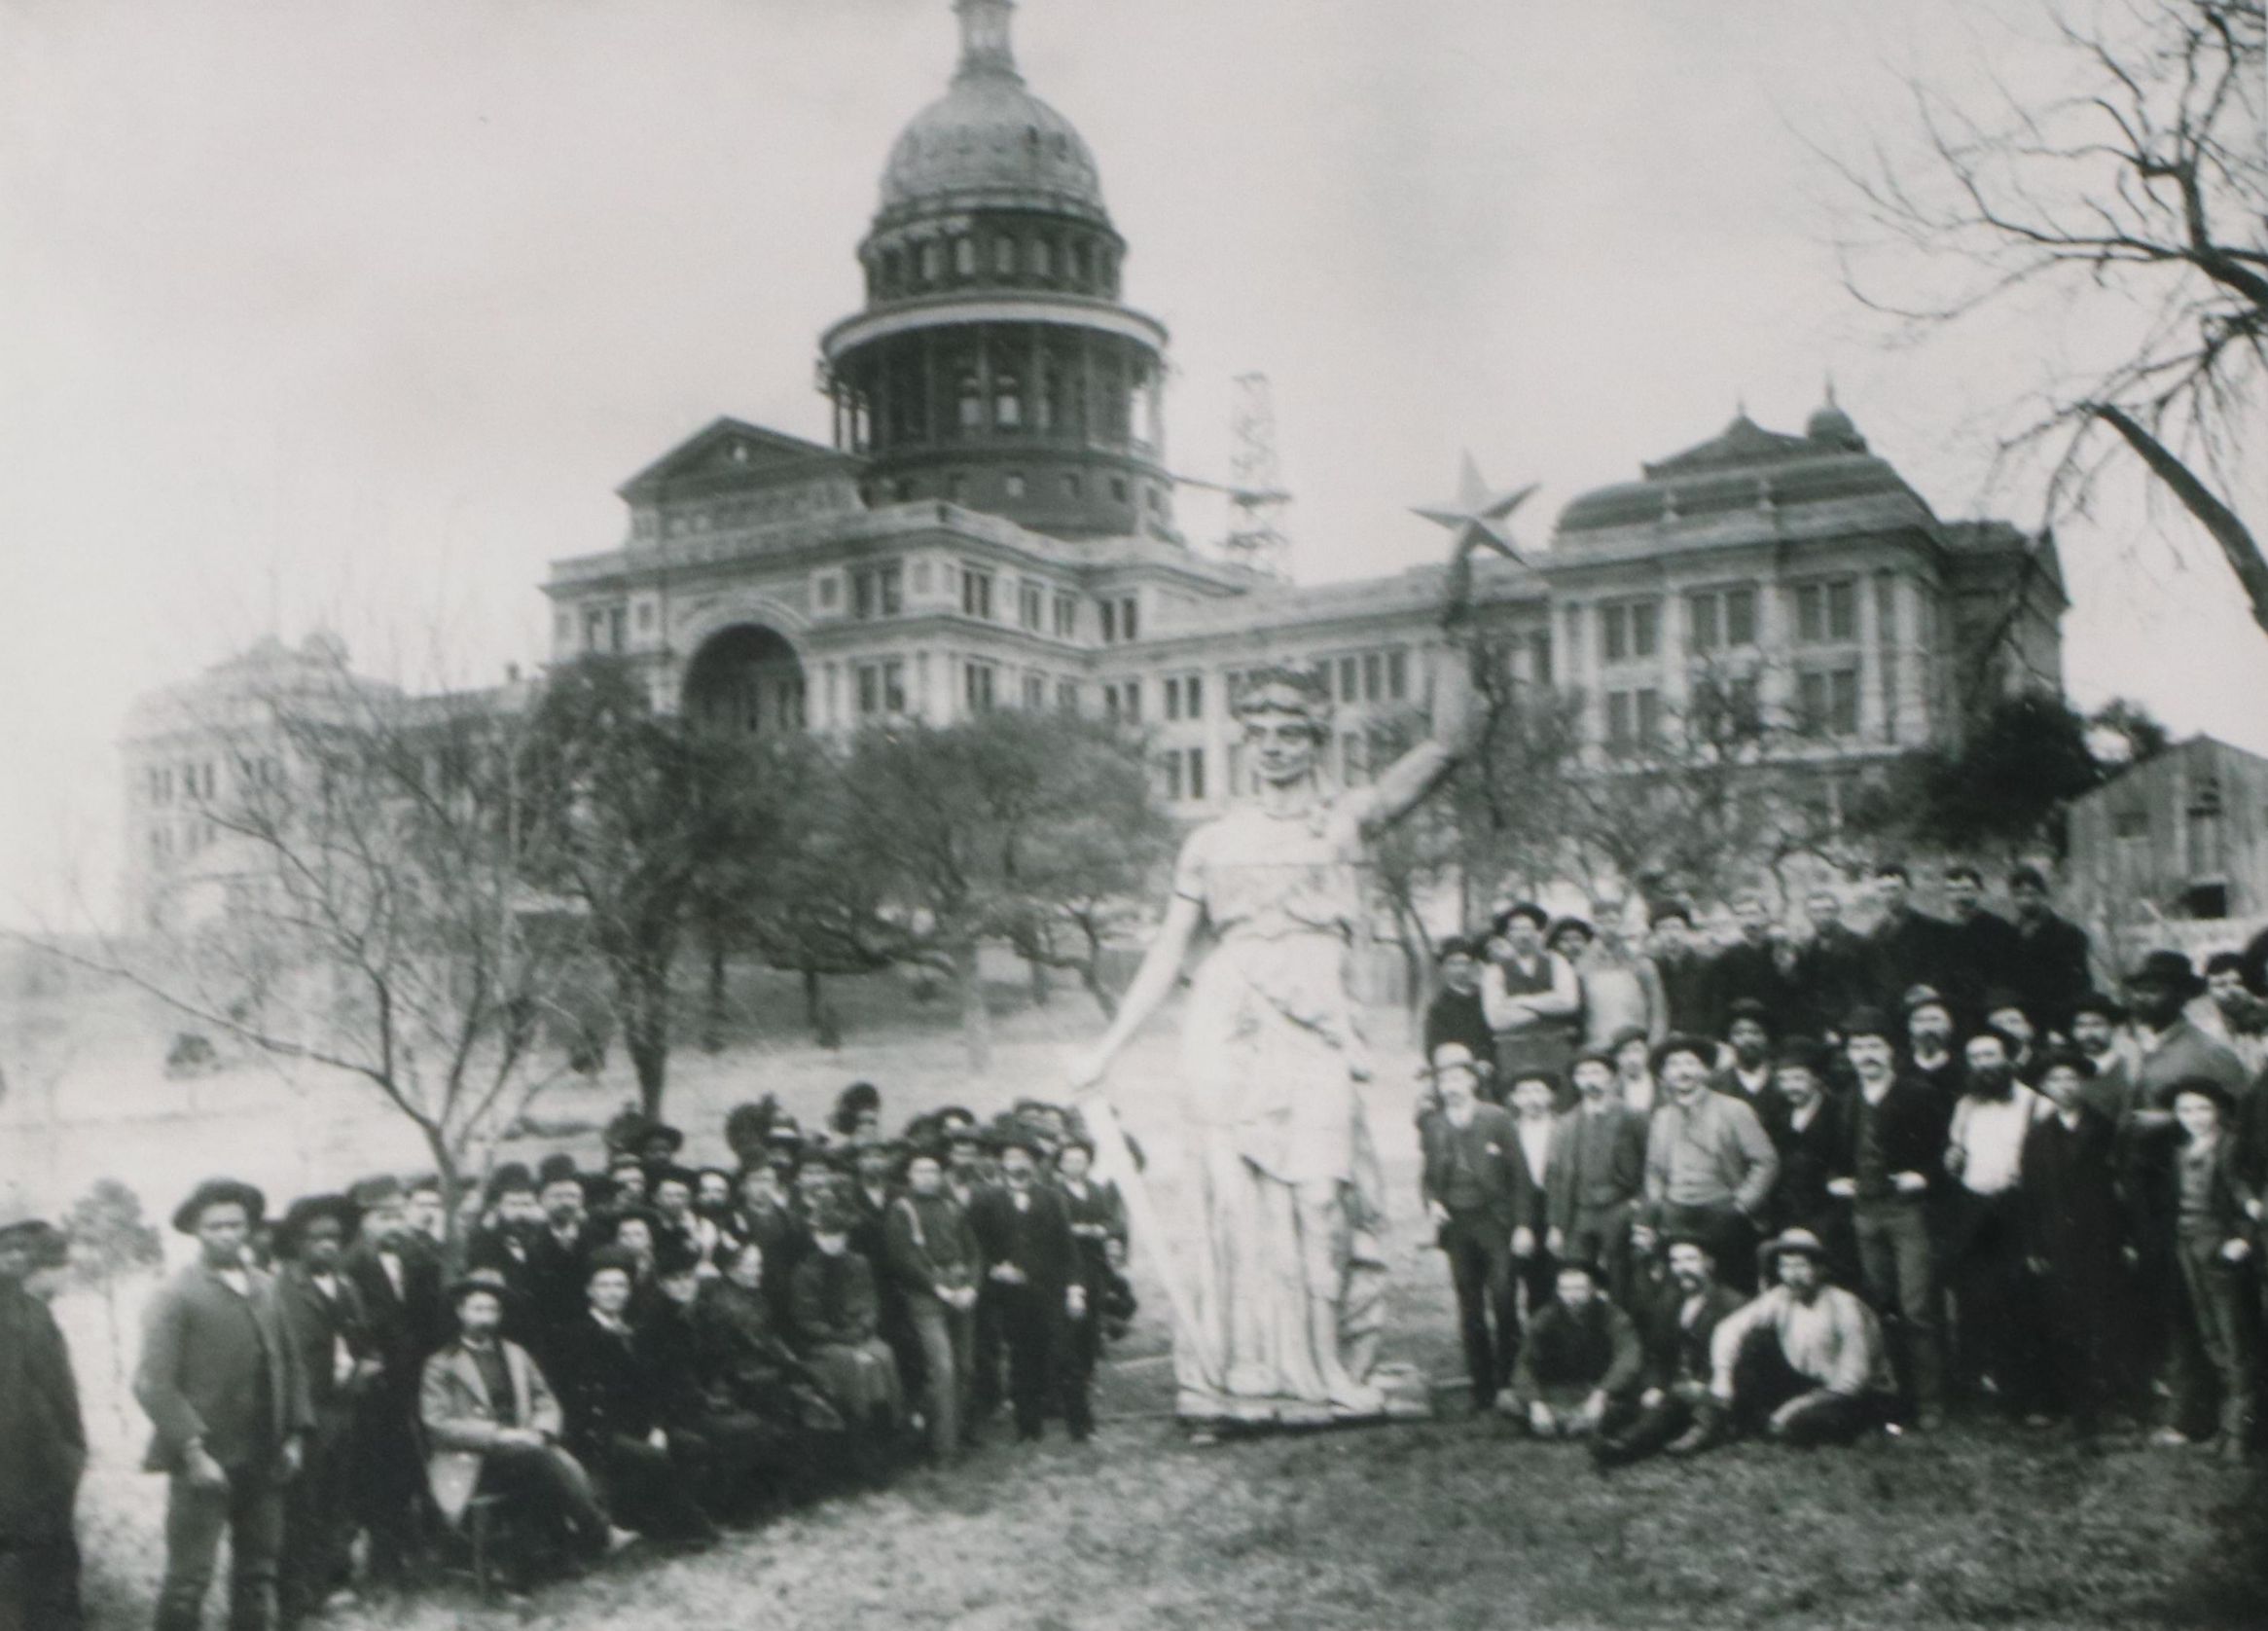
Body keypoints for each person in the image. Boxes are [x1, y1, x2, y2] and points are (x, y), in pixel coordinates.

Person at [1065, 630, 1480, 1428]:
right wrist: (1108, 1049)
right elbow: (1164, 953)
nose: (1275, 749)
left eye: (1292, 734)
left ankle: (1325, 1364)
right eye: (1260, 735)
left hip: (1318, 1024)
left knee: (1325, 1196)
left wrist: (1454, 625)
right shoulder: (1212, 842)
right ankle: (1242, 1372)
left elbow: (1445, 743)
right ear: (1243, 740)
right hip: (1229, 1023)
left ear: (1316, 740)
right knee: (1236, 1199)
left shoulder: (1345, 820)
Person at [137, 1178, 313, 1631]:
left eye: (236, 1225)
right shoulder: (176, 1294)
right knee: (189, 1578)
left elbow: (291, 1363)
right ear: (197, 1231)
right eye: (214, 1226)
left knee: (258, 1573)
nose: (227, 1235)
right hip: (206, 1462)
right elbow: (153, 1383)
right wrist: (193, 1453)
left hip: (264, 1456)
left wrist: (293, 1435)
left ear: (250, 1228)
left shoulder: (267, 1287)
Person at [419, 1273, 611, 1585]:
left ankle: (538, 1561)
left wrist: (542, 1429)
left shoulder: (515, 1354)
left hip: (527, 1447)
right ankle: (594, 1532)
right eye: (477, 1310)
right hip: (473, 1460)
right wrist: (499, 1435)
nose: (486, 1318)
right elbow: (437, 1424)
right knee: (541, 1463)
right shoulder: (441, 1364)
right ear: (461, 1312)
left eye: (492, 1310)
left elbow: (545, 1398)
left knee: (536, 1462)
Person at [1826, 1009, 1947, 1429]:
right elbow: (1835, 1158)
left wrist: (1924, 1175)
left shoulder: (1916, 1093)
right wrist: (1837, 1181)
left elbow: (1942, 1152)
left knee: (1917, 1307)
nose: (1866, 1055)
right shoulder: (1844, 1100)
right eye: (1858, 1048)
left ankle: (1931, 1401)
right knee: (1880, 1307)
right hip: (1865, 1213)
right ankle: (1894, 1398)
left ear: (1891, 1051)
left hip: (1906, 1211)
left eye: (1874, 1046)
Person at [551, 1246, 718, 1547]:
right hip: (596, 1432)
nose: (613, 1293)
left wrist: (656, 1427)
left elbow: (650, 1389)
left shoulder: (634, 1333)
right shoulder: (575, 1336)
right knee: (651, 1458)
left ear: (629, 1291)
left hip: (636, 1426)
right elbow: (579, 1400)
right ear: (590, 1291)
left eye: (620, 1286)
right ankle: (685, 1528)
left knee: (692, 1446)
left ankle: (657, 1521)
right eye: (604, 1285)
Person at [270, 1194, 378, 1625]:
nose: (328, 1246)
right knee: (302, 1506)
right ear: (298, 1243)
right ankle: (297, 1598)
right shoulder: (280, 1290)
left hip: (344, 1410)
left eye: (335, 1238)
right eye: (316, 1238)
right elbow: (285, 1359)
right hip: (306, 1413)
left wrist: (366, 1366)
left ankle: (336, 1582)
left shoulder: (347, 1286)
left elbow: (362, 1342)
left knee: (339, 1499)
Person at [2144, 1080, 2257, 1459]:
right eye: (2186, 1110)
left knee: (2234, 1338)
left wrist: (2243, 1237)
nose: (2195, 1118)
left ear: (2219, 1112)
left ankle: (2240, 1434)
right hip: (2187, 1247)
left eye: (2203, 1109)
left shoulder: (2231, 1147)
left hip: (2220, 1247)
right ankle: (2225, 1428)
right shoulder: (2180, 1151)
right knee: (2209, 1336)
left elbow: (2247, 1194)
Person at [342, 1174, 446, 1584]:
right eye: (385, 1217)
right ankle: (381, 1565)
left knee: (411, 1469)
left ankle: (417, 1553)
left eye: (400, 1215)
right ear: (365, 1221)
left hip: (415, 1383)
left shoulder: (418, 1258)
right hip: (374, 1391)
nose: (395, 1225)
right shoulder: (351, 1267)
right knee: (376, 1476)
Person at [1702, 1228, 1893, 1448]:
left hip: (1852, 1394)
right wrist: (1722, 1376)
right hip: (1807, 1384)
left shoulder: (1844, 1306)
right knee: (1752, 1349)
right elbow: (1728, 1328)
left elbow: (1852, 1381)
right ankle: (1732, 1423)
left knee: (1801, 1427)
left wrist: (1792, 1408)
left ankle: (1858, 1428)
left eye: (1801, 1266)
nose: (1792, 1276)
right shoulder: (1780, 1296)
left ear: (1820, 1269)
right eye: (1785, 1266)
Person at [2018, 1049, 2123, 1441]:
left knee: (2105, 1321)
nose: (2065, 1087)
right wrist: (2034, 1246)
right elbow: (2029, 1194)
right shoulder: (2038, 1135)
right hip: (2055, 1244)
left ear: (2084, 1083)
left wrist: (2123, 1239)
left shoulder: (2104, 1128)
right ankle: (2074, 1408)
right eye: (2056, 1081)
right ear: (2045, 1088)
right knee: (2064, 1323)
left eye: (2072, 1079)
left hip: (2099, 1241)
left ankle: (2108, 1407)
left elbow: (2119, 1190)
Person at [1416, 1043, 1526, 1412]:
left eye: (1457, 1078)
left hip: (1494, 1222)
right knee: (1470, 1304)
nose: (1451, 1086)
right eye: (1443, 1079)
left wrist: (1523, 1225)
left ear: (1473, 1081)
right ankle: (1483, 1386)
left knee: (1504, 1297)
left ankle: (1511, 1380)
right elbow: (1428, 1176)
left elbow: (1520, 1177)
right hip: (1458, 1225)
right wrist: (1433, 1202)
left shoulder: (1497, 1118)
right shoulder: (1433, 1124)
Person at [1943, 1029, 2046, 1416]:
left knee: (2022, 1301)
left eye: (1990, 1055)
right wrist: (1952, 1158)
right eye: (1975, 1057)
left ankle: (2032, 1398)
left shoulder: (2037, 1105)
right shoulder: (1967, 1105)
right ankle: (1991, 1391)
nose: (1983, 1065)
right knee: (1977, 1301)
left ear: (2011, 1059)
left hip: (2017, 1209)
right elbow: (1956, 1152)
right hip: (1974, 1209)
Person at [969, 1136, 1090, 1442]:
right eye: (1010, 1157)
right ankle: (1028, 1428)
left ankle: (1081, 1426)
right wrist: (995, 1269)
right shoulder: (986, 1200)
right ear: (1002, 1163)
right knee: (1023, 1361)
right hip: (1012, 1295)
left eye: (1023, 1158)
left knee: (1065, 1357)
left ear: (1032, 1164)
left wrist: (1075, 1289)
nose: (1016, 1163)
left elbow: (1069, 1249)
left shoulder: (1051, 1198)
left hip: (1051, 1290)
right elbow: (976, 1248)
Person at [0, 1200, 86, 1631]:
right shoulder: (19, 1315)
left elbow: (57, 1393)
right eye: (4, 1249)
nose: (15, 1258)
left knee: (50, 1572)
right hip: (17, 1477)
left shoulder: (34, 1312)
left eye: (22, 1249)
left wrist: (71, 1453)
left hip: (44, 1472)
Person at [1637, 1035, 1779, 1293]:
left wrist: (1741, 1204)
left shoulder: (1734, 1110)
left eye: (1690, 1063)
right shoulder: (1662, 1117)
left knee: (1730, 1286)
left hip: (1722, 1212)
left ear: (1705, 1070)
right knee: (1680, 1287)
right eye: (1674, 1065)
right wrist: (1658, 1207)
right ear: (1665, 1075)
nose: (1683, 1072)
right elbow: (1654, 1170)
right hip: (1677, 1214)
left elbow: (1766, 1161)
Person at [1592, 1236, 1746, 1468]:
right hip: (1676, 1387)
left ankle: (1624, 1446)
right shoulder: (1669, 1302)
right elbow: (1657, 1356)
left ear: (1709, 1264)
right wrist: (1655, 1386)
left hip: (1717, 1391)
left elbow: (1742, 1364)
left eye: (1690, 1259)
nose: (1682, 1268)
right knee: (1634, 1403)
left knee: (1673, 1405)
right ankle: (1622, 1428)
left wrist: (1703, 1385)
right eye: (1675, 1261)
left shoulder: (1733, 1304)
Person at [789, 1194, 906, 1468]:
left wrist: (862, 1328)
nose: (833, 1241)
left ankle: (887, 1434)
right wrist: (840, 1337)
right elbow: (805, 1318)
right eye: (826, 1235)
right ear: (816, 1237)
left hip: (858, 1334)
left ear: (846, 1237)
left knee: (883, 1355)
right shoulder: (805, 1272)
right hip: (823, 1343)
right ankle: (861, 1445)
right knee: (856, 1364)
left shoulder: (859, 1264)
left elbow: (869, 1303)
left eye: (839, 1235)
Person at [883, 1148, 984, 1463]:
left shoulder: (952, 1208)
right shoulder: (902, 1210)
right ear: (909, 1176)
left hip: (960, 1292)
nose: (928, 1177)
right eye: (920, 1171)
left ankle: (949, 1432)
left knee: (965, 1367)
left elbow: (975, 1253)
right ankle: (944, 1451)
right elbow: (903, 1259)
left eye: (933, 1171)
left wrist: (971, 1287)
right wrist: (937, 1288)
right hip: (926, 1297)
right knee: (943, 1368)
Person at [1546, 1048, 1648, 1311]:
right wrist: (1556, 1225)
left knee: (1620, 1281)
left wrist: (1638, 1205)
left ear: (1612, 1078)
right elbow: (1556, 1177)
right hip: (1580, 1212)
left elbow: (1650, 1165)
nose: (1590, 1079)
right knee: (1577, 1276)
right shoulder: (1566, 1124)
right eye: (1582, 1074)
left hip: (1618, 1207)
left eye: (1597, 1072)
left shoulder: (1631, 1116)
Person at [1504, 1262, 1642, 1437]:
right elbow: (1524, 1364)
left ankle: (1562, 1423)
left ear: (1593, 1290)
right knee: (1506, 1399)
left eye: (1579, 1289)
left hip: (1600, 1387)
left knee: (1630, 1403)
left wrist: (1601, 1395)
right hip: (1560, 1391)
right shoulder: (1545, 1317)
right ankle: (1574, 1422)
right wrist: (1536, 1404)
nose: (1572, 1296)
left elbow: (1628, 1360)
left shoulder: (1614, 1317)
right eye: (1565, 1289)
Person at [1484, 904, 1584, 1093]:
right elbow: (1496, 1019)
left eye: (1528, 929)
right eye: (1516, 929)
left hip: (1555, 1050)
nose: (1523, 935)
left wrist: (1520, 1001)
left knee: (1561, 1101)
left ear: (1538, 933)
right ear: (1507, 935)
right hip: (1514, 1052)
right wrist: (1546, 1009)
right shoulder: (1494, 970)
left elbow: (1569, 1002)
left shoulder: (1556, 961)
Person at [1762, 1039, 1847, 1254]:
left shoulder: (1839, 1113)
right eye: (1784, 1079)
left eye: (1798, 1078)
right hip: (1787, 1213)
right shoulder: (1778, 1117)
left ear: (1817, 1078)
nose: (1791, 1086)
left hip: (1830, 1214)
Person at [1566, 901, 1667, 1054]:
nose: (1607, 927)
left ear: (1622, 924)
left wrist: (1655, 1043)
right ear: (1592, 926)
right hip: (1596, 1044)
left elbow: (1658, 1009)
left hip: (1635, 1044)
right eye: (1600, 922)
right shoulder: (1581, 966)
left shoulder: (1641, 964)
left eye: (1612, 921)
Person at [2005, 866, 2094, 1035]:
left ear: (2043, 895)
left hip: (2057, 1017)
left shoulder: (2068, 933)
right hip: (2021, 1018)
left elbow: (2079, 983)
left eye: (2031, 894)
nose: (2025, 900)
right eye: (2018, 895)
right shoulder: (2009, 934)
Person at [1504, 1068, 1564, 1309]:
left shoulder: (1565, 1129)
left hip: (1556, 1206)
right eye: (1524, 1092)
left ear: (1551, 1097)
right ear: (1515, 1099)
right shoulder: (1507, 1130)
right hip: (1518, 1211)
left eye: (1538, 1090)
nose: (1532, 1098)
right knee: (1526, 1278)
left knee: (1558, 1276)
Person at [1788, 888, 1872, 1042]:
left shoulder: (1858, 943)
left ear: (1837, 912)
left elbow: (1869, 987)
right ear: (1808, 915)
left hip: (1854, 1021)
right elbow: (1802, 991)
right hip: (1818, 1026)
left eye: (1827, 910)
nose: (1822, 917)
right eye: (1815, 911)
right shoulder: (1805, 948)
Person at [1865, 863, 1952, 1010]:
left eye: (1894, 889)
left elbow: (1945, 971)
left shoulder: (1933, 928)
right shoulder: (1874, 934)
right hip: (1889, 1009)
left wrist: (1934, 989)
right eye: (1883, 890)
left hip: (1924, 1006)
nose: (1889, 896)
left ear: (1908, 890)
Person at [1709, 896, 1795, 1039]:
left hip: (1782, 1028)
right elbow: (1720, 1000)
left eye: (1753, 913)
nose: (1748, 920)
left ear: (1765, 917)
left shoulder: (1782, 950)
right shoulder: (1727, 957)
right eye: (1741, 915)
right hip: (1744, 1030)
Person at [1422, 938, 1498, 1100]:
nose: (1461, 969)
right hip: (1457, 1072)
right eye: (1454, 964)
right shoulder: (1439, 1006)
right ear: (1443, 968)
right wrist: (1468, 1065)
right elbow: (1434, 1047)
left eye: (1465, 963)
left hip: (1492, 1068)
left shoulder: (1485, 996)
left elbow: (1493, 1031)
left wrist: (1486, 1059)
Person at [1942, 864, 2020, 1017]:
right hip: (1952, 1009)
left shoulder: (1999, 928)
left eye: (1966, 890)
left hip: (1987, 1010)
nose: (1959, 897)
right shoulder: (1942, 929)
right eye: (1951, 890)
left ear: (1980, 891)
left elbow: (2007, 979)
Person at [1647, 903, 1716, 1037]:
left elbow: (1715, 1008)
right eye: (1663, 928)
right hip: (1667, 1040)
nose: (1671, 935)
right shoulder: (1653, 968)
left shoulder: (1706, 964)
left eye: (1676, 927)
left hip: (1700, 1037)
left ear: (1687, 930)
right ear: (1655, 934)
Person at [2204, 952, 2268, 1076]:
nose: (2231, 991)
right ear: (2209, 991)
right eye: (2220, 985)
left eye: (2238, 983)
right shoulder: (2209, 1035)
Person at [1710, 998, 1779, 1113]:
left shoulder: (1781, 1080)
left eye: (1755, 1032)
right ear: (1729, 1039)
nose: (1748, 1040)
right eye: (1739, 1033)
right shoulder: (1715, 1085)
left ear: (1767, 1038)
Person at [1902, 989, 1965, 1105]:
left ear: (1949, 1026)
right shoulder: (1899, 1071)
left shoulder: (1964, 1070)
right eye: (1920, 1021)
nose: (1927, 1028)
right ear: (1910, 1027)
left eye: (1934, 1020)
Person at [1608, 1025, 1658, 1116]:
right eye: (1624, 1052)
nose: (1631, 1059)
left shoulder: (1662, 1087)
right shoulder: (1610, 1091)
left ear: (1648, 1052)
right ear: (1617, 1058)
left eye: (1637, 1050)